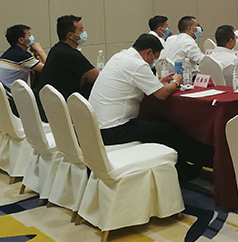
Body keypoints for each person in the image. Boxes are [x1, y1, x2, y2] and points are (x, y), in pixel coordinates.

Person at [94, 34, 213, 180]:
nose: (153, 62)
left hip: (98, 127)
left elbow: (138, 82)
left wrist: (159, 82)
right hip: (114, 130)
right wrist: (176, 81)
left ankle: (181, 167)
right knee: (166, 130)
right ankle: (190, 168)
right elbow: (162, 94)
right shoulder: (137, 64)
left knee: (154, 124)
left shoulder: (120, 57)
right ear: (148, 52)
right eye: (154, 58)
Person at [39, 15, 99, 108]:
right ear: (70, 35)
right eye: (81, 30)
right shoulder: (70, 53)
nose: (84, 33)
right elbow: (95, 77)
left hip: (49, 103)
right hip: (63, 105)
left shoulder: (56, 49)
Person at [1, 25, 46, 107]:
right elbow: (48, 68)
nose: (31, 37)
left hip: (3, 96)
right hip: (10, 98)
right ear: (21, 40)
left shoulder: (11, 53)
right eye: (29, 34)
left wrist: (36, 54)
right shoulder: (22, 55)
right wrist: (40, 51)